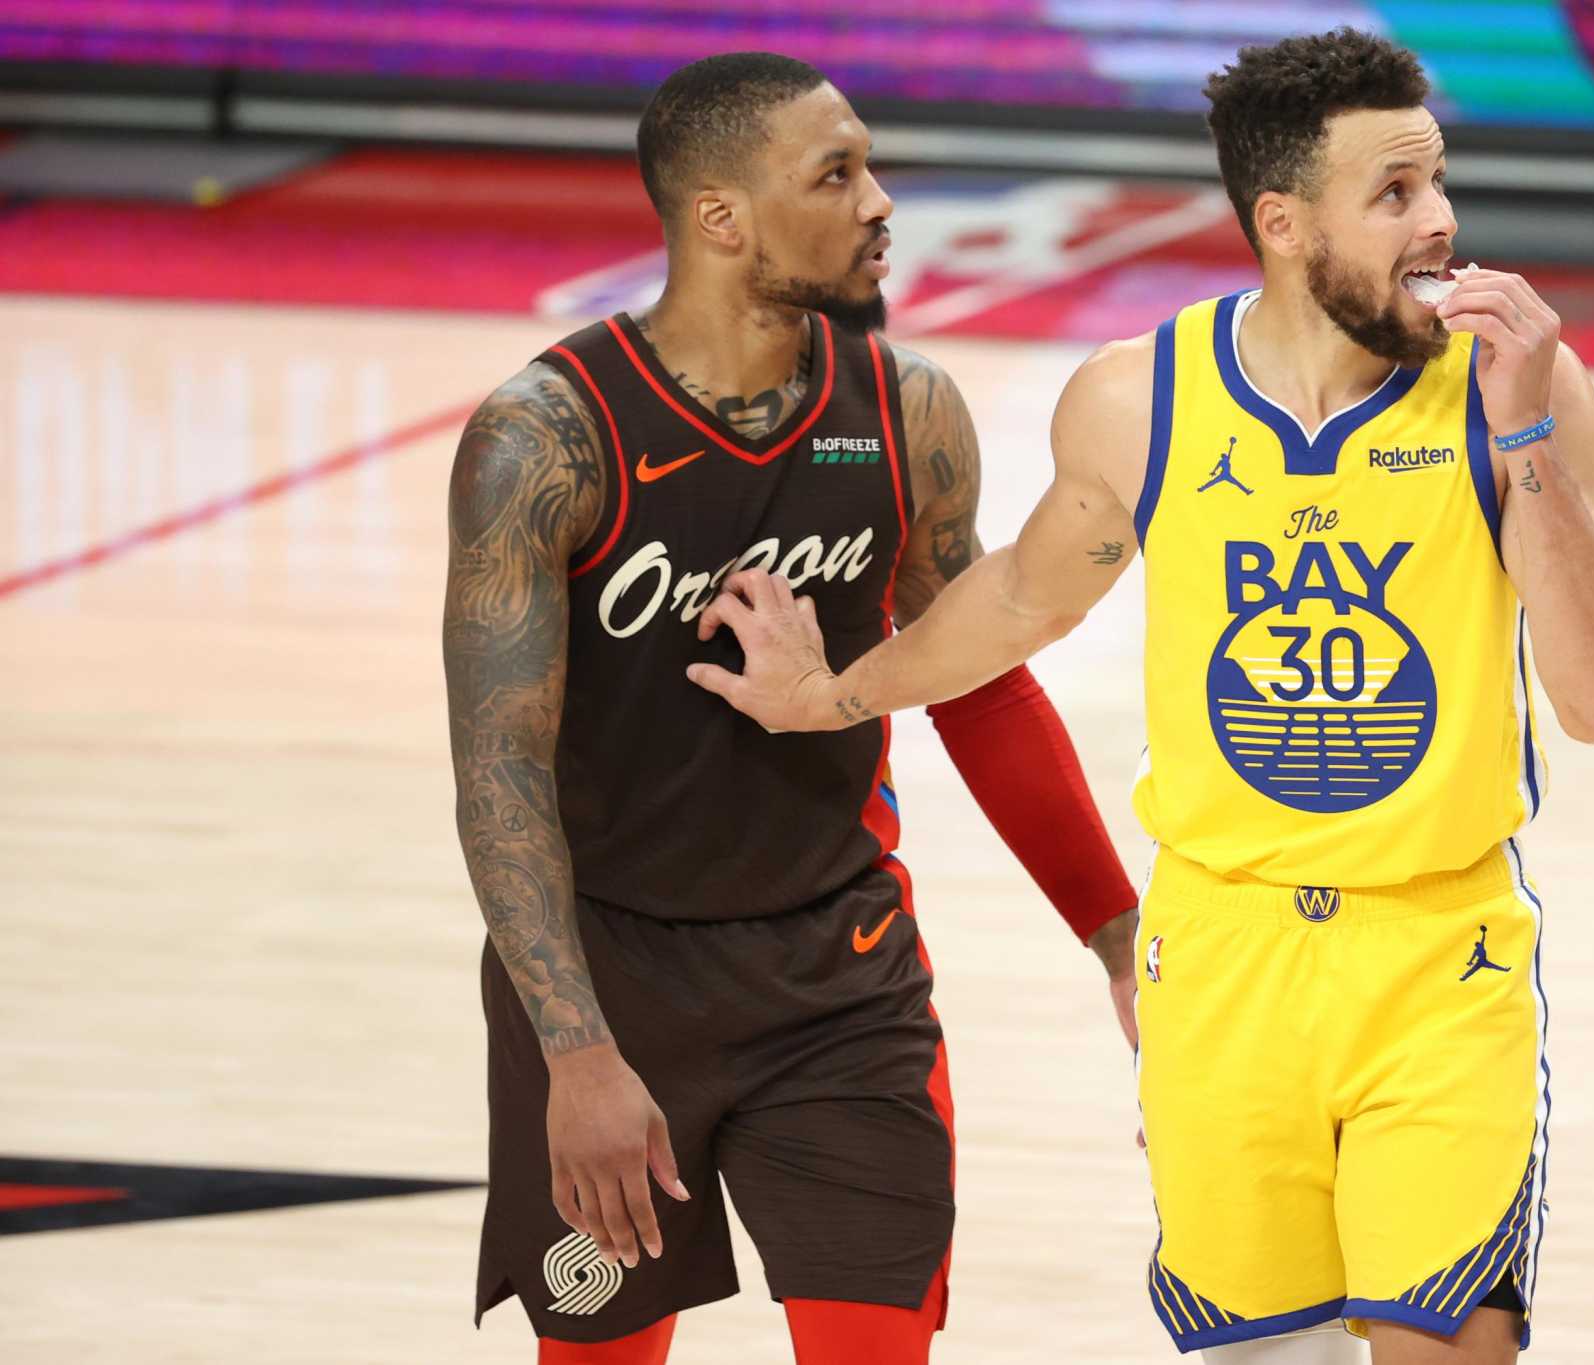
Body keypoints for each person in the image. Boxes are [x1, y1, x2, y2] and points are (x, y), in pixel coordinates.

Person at [683, 28, 1594, 1365]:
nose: (1440, 224)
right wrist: (830, 695)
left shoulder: (1514, 396)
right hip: (1219, 960)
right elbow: (1024, 596)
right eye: (1393, 195)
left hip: (1440, 956)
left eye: (1438, 184)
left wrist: (1530, 433)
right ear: (1283, 221)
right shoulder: (1139, 401)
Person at [441, 52, 1138, 1365]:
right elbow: (500, 774)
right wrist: (577, 1053)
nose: (882, 202)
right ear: (722, 218)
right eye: (838, 174)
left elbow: (978, 687)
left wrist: (1116, 931)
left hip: (841, 975)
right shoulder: (546, 437)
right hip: (614, 978)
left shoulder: (906, 410)